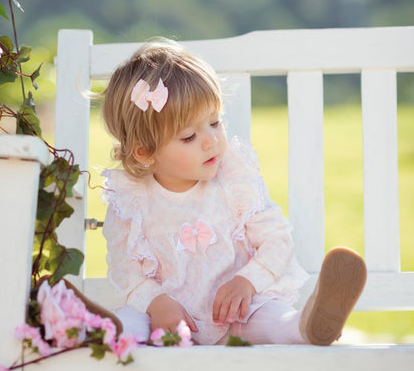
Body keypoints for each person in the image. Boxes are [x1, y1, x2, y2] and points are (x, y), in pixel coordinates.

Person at [101, 39, 367, 346]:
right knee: (132, 323)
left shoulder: (233, 178)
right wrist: (156, 302)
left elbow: (277, 240)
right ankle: (97, 333)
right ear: (145, 152)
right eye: (189, 136)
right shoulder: (131, 199)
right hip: (169, 318)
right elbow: (124, 268)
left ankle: (306, 326)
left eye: (215, 122)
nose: (211, 141)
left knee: (270, 319)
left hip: (239, 312)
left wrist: (246, 282)